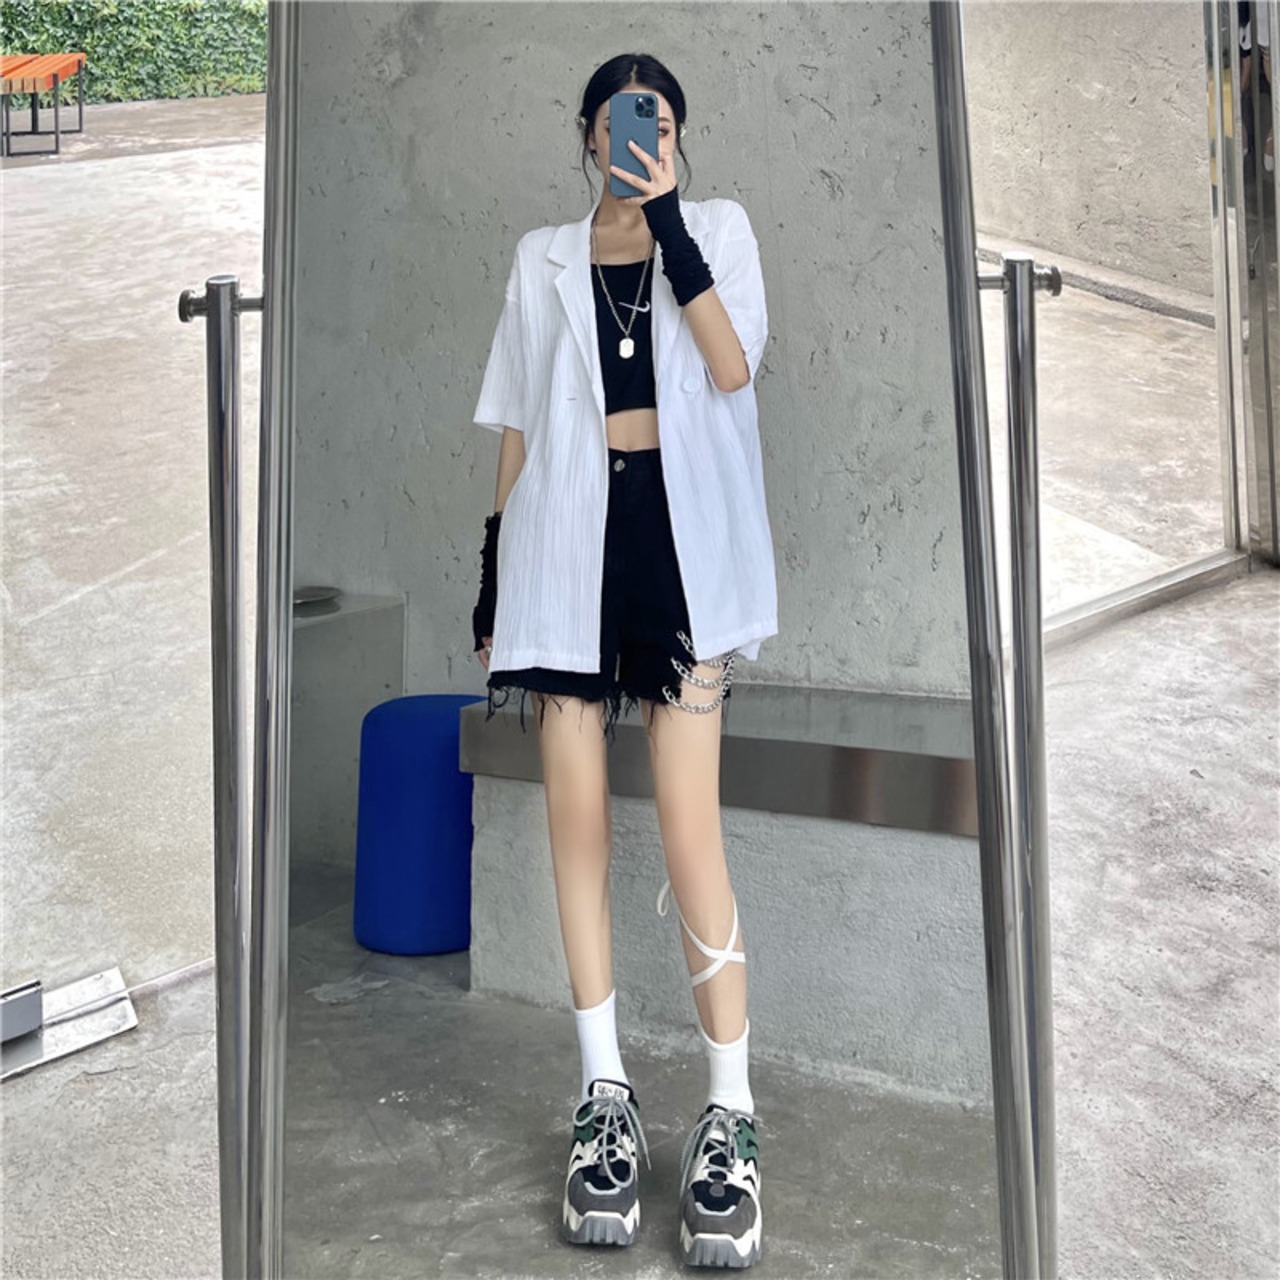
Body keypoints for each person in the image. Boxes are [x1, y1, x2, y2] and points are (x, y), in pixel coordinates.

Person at [468, 52, 777, 1269]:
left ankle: (729, 1110)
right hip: (562, 546)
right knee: (577, 827)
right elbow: (515, 421)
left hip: (675, 548)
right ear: (587, 133)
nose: (635, 134)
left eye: (656, 121)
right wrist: (492, 569)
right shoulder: (540, 256)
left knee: (691, 829)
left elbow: (731, 363)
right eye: (615, 119)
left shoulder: (716, 232)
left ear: (676, 138)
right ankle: (602, 1093)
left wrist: (667, 223)